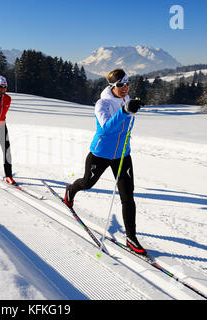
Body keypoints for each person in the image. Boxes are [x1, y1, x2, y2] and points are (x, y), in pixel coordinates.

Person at [63, 69, 147, 255]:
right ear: (112, 86)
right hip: (100, 153)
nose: (125, 88)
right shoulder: (102, 104)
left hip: (123, 155)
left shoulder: (127, 99)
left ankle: (130, 237)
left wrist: (131, 107)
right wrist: (125, 111)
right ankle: (71, 190)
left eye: (127, 83)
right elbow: (107, 128)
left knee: (128, 196)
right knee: (87, 183)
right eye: (120, 85)